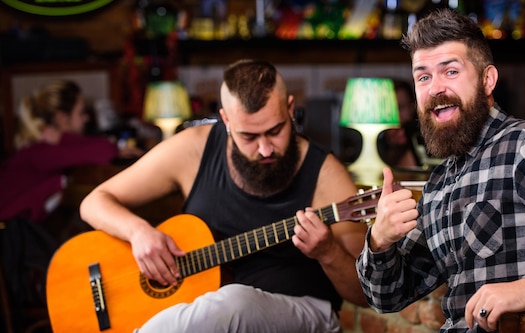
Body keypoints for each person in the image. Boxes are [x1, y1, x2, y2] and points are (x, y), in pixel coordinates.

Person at [356, 8, 525, 333]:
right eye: (423, 76)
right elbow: (388, 298)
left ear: (488, 80)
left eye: (450, 71)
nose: (435, 88)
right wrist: (380, 241)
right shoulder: (440, 184)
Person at [79, 59, 369, 332]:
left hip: (305, 311)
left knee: (233, 304)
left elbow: (363, 293)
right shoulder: (192, 149)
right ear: (225, 120)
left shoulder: (326, 175)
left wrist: (328, 252)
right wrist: (138, 232)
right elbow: (94, 202)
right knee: (218, 307)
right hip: (205, 312)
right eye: (249, 137)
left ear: (290, 109)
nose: (266, 149)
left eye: (276, 130)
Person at [0, 80, 142, 225]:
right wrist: (64, 139)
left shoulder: (41, 150)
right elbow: (102, 150)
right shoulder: (38, 151)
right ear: (62, 118)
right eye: (81, 113)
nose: (86, 118)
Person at [378, 79, 420, 168]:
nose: (395, 116)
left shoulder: (424, 139)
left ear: (413, 107)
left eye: (400, 108)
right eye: (389, 110)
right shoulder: (378, 143)